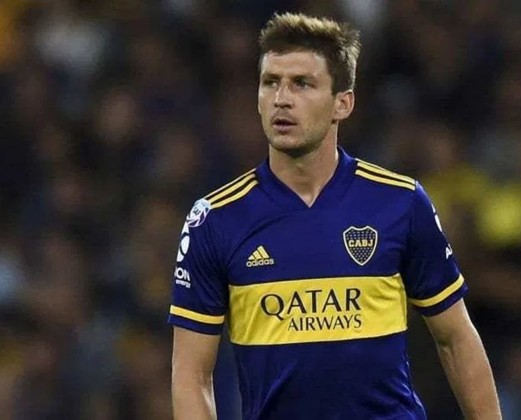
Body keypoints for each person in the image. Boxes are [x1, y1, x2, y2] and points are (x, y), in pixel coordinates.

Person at [168, 12, 501, 420]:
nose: (281, 98)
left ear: (342, 103)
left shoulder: (400, 202)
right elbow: (192, 374)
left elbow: (456, 338)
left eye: (302, 84)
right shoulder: (216, 219)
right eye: (270, 82)